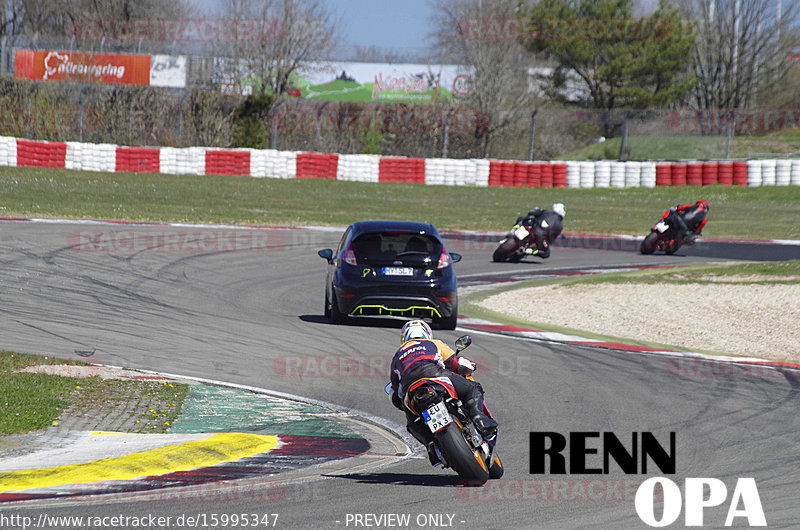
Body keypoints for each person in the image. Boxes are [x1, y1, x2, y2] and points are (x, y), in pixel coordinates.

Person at [389, 320, 496, 465]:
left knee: (413, 424)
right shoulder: (434, 343)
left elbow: (396, 393)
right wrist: (469, 366)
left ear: (404, 337)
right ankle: (481, 422)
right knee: (472, 388)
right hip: (434, 375)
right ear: (427, 333)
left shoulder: (397, 356)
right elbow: (455, 363)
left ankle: (432, 447)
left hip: (411, 391)